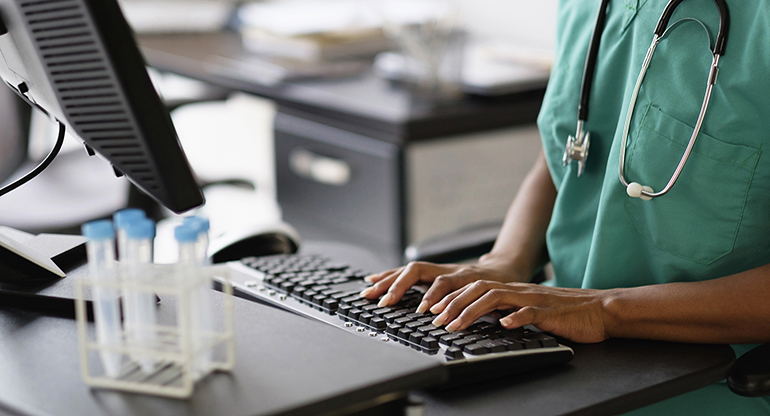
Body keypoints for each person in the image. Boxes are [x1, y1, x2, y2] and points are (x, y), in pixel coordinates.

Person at [360, 0, 770, 414]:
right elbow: (566, 152)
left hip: (703, 383)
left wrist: (605, 310)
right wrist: (504, 261)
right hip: (555, 347)